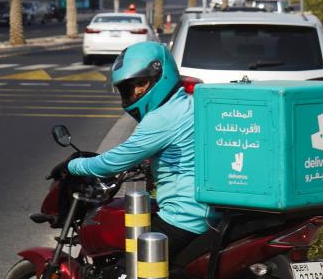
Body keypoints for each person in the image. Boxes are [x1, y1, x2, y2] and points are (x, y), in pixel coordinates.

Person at [50, 41, 206, 256]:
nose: (135, 92)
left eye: (141, 84)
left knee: (124, 277)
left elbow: (110, 164)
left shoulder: (162, 118)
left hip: (184, 218)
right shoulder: (188, 103)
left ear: (162, 75)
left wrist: (72, 165)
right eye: (128, 88)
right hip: (207, 212)